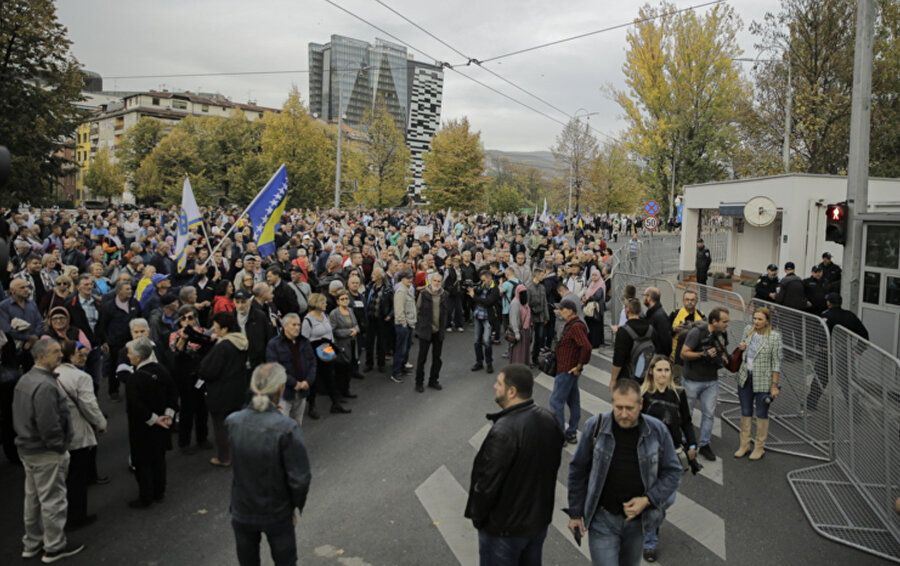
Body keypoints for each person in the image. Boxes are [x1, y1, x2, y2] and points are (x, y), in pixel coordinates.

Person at [567, 379, 682, 566]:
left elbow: (673, 471)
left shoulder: (657, 430)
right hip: (603, 520)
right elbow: (578, 471)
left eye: (630, 408)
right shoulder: (594, 427)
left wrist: (647, 500)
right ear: (612, 403)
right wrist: (575, 513)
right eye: (618, 407)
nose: (624, 414)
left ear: (641, 404)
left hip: (637, 523)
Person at [464, 364, 564, 565]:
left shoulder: (504, 431)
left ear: (512, 391)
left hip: (504, 530)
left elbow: (487, 483)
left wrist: (479, 518)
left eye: (499, 383)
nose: (495, 387)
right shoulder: (549, 419)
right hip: (537, 524)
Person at [227, 363, 311, 566]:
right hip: (276, 511)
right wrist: (295, 505)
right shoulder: (287, 428)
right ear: (281, 388)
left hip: (242, 509)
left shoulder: (233, 421)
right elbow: (300, 478)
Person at [13, 338, 86, 562]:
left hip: (28, 448)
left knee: (33, 499)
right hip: (46, 451)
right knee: (53, 500)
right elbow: (48, 423)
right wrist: (59, 446)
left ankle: (32, 543)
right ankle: (54, 546)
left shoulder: (26, 379)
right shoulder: (45, 385)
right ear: (41, 357)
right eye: (55, 352)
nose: (60, 355)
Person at [639, 355, 698, 562]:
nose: (663, 374)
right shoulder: (643, 395)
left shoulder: (678, 394)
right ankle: (650, 541)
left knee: (667, 498)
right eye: (659, 370)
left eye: (666, 370)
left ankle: (653, 521)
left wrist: (692, 445)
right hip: (648, 454)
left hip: (671, 453)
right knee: (652, 497)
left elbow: (687, 422)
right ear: (651, 372)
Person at [56, 340, 107, 531]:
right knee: (78, 479)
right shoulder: (80, 377)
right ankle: (78, 516)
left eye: (85, 354)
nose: (84, 358)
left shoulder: (52, 374)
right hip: (78, 433)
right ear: (69, 355)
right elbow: (90, 406)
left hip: (57, 434)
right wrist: (101, 423)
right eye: (80, 354)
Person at [125, 337, 177, 509]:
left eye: (130, 353)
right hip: (163, 424)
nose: (128, 356)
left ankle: (146, 497)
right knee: (159, 459)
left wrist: (154, 419)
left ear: (139, 357)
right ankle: (159, 491)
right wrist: (168, 416)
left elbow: (135, 406)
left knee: (143, 463)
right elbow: (172, 393)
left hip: (143, 428)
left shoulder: (134, 379)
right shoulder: (161, 370)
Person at [199, 312, 250, 467]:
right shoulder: (241, 342)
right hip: (238, 388)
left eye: (216, 328)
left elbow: (208, 370)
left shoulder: (223, 347)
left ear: (225, 328)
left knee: (221, 426)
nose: (214, 330)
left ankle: (224, 457)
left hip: (221, 391)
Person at [681, 306, 730, 462]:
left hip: (711, 381)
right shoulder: (696, 333)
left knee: (709, 414)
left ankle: (704, 444)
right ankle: (685, 442)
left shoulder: (722, 333)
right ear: (714, 321)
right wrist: (703, 354)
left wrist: (724, 357)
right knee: (686, 413)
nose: (727, 324)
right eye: (724, 321)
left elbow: (723, 349)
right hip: (692, 380)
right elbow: (684, 353)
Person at [806, 292, 869, 412]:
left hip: (827, 354)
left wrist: (819, 347)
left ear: (828, 303)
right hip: (844, 354)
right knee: (847, 383)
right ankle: (855, 410)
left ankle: (811, 404)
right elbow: (864, 335)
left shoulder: (826, 315)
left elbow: (818, 334)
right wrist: (858, 350)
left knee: (819, 380)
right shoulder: (850, 316)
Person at [734, 306, 782, 460]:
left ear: (767, 321)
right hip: (745, 377)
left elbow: (776, 363)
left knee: (761, 413)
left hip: (763, 381)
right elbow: (744, 348)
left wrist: (774, 385)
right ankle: (744, 445)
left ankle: (759, 447)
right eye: (755, 318)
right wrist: (742, 347)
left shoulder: (774, 337)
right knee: (745, 411)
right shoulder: (748, 330)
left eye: (760, 319)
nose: (756, 322)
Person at [168, 305, 211, 454]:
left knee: (202, 408)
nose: (187, 321)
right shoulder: (174, 335)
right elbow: (177, 351)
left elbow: (208, 344)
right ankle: (184, 442)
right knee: (187, 408)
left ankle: (202, 437)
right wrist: (184, 337)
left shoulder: (204, 332)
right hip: (184, 375)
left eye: (190, 317)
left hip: (200, 373)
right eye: (183, 318)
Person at [549, 299, 593, 445]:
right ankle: (571, 433)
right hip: (569, 369)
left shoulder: (575, 326)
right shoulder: (574, 325)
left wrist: (579, 366)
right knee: (573, 401)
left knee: (556, 401)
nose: (559, 312)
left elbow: (586, 347)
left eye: (561, 309)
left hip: (567, 369)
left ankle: (560, 435)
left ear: (569, 310)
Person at [301, 293, 350, 417]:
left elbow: (330, 333)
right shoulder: (307, 320)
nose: (326, 304)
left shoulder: (324, 315)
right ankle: (311, 406)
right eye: (323, 302)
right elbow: (304, 340)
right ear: (316, 304)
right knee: (314, 381)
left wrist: (332, 347)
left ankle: (335, 404)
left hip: (327, 350)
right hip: (314, 353)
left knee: (330, 378)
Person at [266, 313, 317, 425]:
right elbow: (274, 368)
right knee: (282, 426)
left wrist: (308, 381)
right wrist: (293, 383)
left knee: (297, 424)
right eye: (293, 325)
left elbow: (312, 362)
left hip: (302, 391)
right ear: (284, 326)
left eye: (299, 324)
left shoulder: (304, 342)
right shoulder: (274, 345)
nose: (297, 327)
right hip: (284, 394)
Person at [414, 272, 449, 392]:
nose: (437, 283)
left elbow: (446, 313)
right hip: (425, 331)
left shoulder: (444, 295)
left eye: (439, 281)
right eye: (435, 281)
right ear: (430, 281)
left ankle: (433, 380)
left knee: (437, 358)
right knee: (422, 359)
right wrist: (419, 326)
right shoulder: (424, 294)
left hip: (438, 332)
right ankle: (419, 383)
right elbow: (417, 311)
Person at [609, 299, 652, 390]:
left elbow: (618, 359)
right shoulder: (650, 329)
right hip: (646, 374)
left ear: (627, 310)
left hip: (627, 376)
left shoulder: (623, 331)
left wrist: (613, 380)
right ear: (640, 310)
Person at [668, 290, 705, 385]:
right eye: (687, 299)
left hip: (694, 358)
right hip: (676, 357)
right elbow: (665, 333)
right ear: (683, 301)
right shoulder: (675, 314)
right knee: (678, 384)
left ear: (696, 301)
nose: (690, 302)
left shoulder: (701, 316)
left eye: (692, 300)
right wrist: (674, 329)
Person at [329, 289, 360, 399]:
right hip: (341, 346)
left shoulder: (351, 310)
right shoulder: (334, 314)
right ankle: (338, 393)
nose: (345, 301)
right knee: (340, 371)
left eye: (346, 298)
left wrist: (356, 330)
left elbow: (356, 324)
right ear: (337, 301)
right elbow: (333, 331)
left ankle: (346, 390)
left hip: (352, 344)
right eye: (342, 299)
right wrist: (349, 332)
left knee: (349, 370)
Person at [470, 269, 500, 374]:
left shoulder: (495, 289)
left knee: (487, 341)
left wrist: (474, 296)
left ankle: (489, 363)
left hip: (488, 317)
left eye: (484, 280)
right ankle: (479, 362)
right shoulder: (482, 285)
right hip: (478, 315)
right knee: (477, 341)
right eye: (482, 280)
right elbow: (476, 295)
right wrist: (475, 290)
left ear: (489, 278)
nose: (483, 282)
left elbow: (488, 302)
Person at [363, 267, 393, 374]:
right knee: (369, 343)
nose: (372, 276)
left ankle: (381, 364)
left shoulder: (388, 288)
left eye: (374, 274)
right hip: (371, 318)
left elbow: (392, 304)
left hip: (382, 319)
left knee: (381, 343)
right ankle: (369, 363)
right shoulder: (370, 286)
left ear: (380, 276)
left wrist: (390, 315)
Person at [391, 270, 416, 384]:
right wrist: (404, 324)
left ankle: (402, 368)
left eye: (411, 278)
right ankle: (396, 372)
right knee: (400, 349)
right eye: (407, 278)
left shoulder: (408, 289)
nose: (410, 280)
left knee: (405, 349)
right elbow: (399, 311)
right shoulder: (401, 292)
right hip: (403, 325)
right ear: (402, 279)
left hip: (409, 323)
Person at [527, 267, 549, 367]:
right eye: (541, 275)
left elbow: (545, 303)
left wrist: (546, 316)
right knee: (530, 339)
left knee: (539, 338)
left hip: (540, 317)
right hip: (532, 317)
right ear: (536, 275)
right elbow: (526, 305)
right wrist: (529, 319)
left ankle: (535, 358)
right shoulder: (528, 287)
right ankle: (528, 359)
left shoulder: (542, 287)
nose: (543, 276)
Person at [643, 287, 672, 358]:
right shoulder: (653, 314)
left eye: (644, 295)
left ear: (649, 298)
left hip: (658, 358)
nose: (643, 298)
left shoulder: (659, 316)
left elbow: (665, 341)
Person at [507, 283, 532, 365]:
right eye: (522, 293)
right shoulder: (515, 303)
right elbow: (513, 319)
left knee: (524, 352)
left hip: (525, 331)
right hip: (518, 332)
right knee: (518, 353)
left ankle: (523, 368)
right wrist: (517, 333)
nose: (524, 294)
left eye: (525, 292)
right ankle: (517, 370)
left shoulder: (524, 303)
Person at [582, 267, 606, 348]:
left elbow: (598, 295)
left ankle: (596, 343)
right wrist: (585, 297)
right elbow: (587, 292)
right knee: (590, 326)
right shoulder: (591, 284)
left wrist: (588, 298)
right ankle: (590, 341)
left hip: (597, 308)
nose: (594, 277)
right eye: (593, 275)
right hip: (590, 308)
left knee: (596, 326)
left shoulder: (601, 284)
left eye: (595, 275)